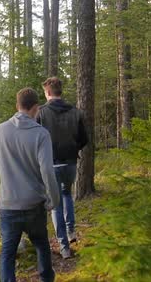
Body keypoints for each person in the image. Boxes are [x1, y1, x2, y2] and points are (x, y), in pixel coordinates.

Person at [0, 88, 60, 282]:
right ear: (36, 108)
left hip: (8, 203)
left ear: (17, 106)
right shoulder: (41, 134)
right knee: (41, 245)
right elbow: (47, 171)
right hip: (34, 204)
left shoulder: (0, 130)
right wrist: (53, 200)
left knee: (7, 254)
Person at [37, 77, 88, 259]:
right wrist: (73, 149)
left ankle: (64, 246)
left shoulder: (41, 113)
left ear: (48, 92)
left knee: (55, 205)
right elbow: (84, 138)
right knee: (67, 194)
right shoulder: (75, 111)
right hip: (71, 162)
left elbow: (35, 138)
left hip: (52, 164)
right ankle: (71, 231)